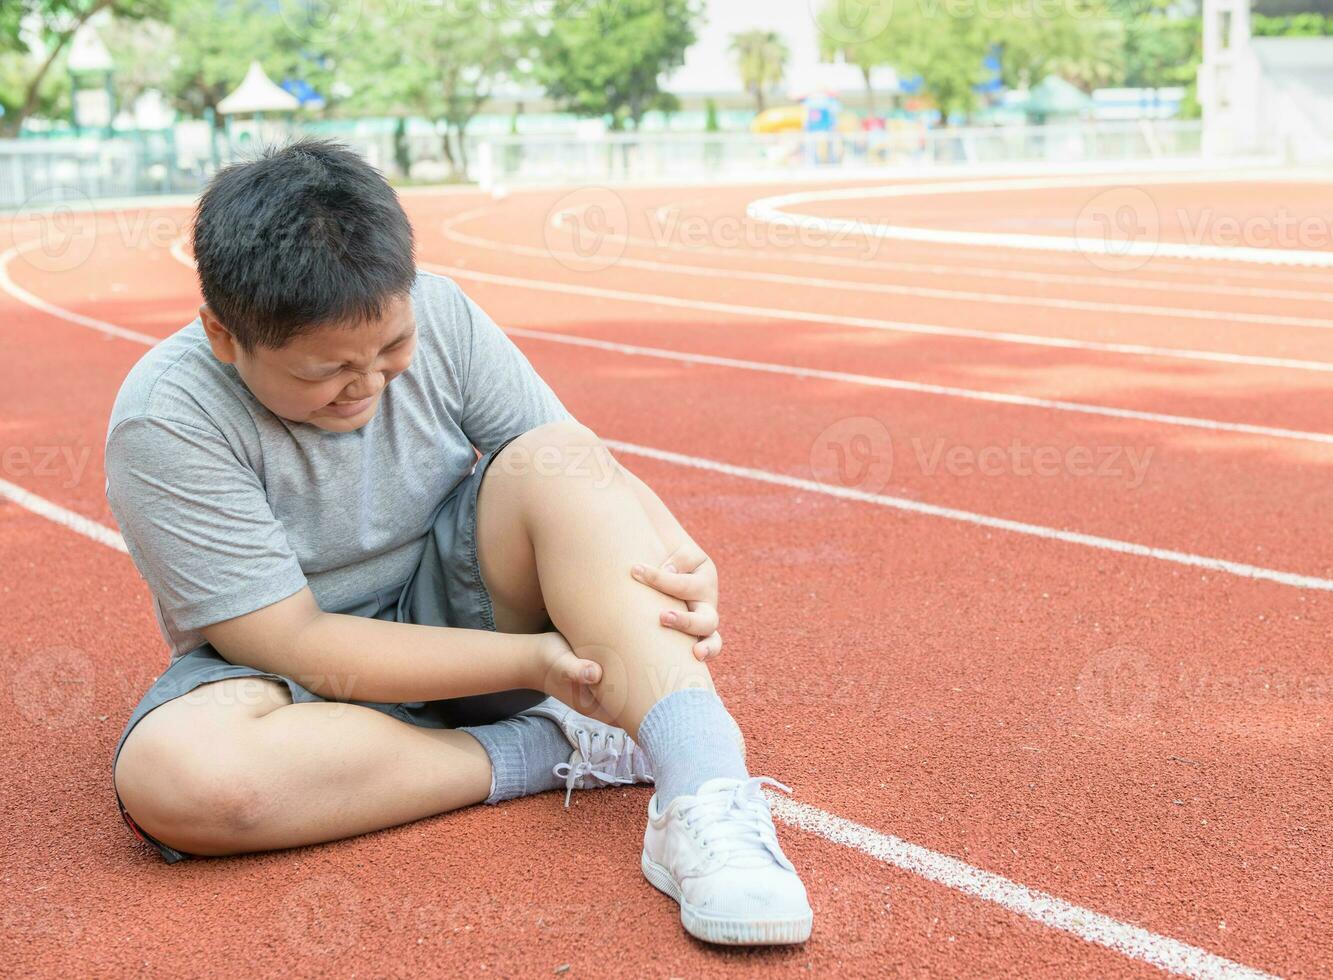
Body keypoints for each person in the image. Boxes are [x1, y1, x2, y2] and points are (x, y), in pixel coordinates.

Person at [106, 138, 812, 946]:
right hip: (287, 668)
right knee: (181, 780)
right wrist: (535, 667)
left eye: (390, 350)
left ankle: (705, 786)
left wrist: (677, 554)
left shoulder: (441, 313)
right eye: (324, 371)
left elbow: (571, 458)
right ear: (224, 336)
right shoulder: (165, 420)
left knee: (555, 456)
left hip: (461, 601)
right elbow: (293, 639)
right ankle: (547, 746)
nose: (367, 385)